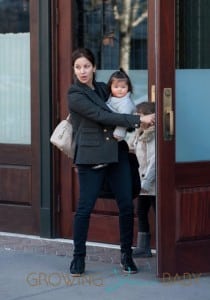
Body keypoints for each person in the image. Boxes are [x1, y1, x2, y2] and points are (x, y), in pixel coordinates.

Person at [67, 48, 155, 276]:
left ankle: (126, 255)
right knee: (85, 208)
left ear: (94, 67)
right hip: (90, 157)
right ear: (74, 70)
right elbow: (101, 116)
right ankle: (78, 258)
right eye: (78, 67)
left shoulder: (101, 89)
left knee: (126, 205)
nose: (83, 71)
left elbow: (120, 105)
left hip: (117, 154)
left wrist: (137, 118)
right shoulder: (74, 94)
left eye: (87, 66)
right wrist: (138, 119)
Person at [127, 101, 156, 258]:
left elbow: (154, 162)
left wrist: (146, 183)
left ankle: (165, 244)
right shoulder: (139, 134)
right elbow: (129, 146)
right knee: (141, 211)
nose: (137, 119)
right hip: (143, 183)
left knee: (159, 213)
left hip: (152, 183)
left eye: (140, 116)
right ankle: (143, 247)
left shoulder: (153, 136)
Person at [106, 68, 137, 141]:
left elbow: (125, 118)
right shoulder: (111, 98)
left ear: (128, 88)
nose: (119, 89)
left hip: (116, 133)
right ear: (110, 87)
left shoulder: (126, 103)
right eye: (116, 87)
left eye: (123, 87)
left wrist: (119, 133)